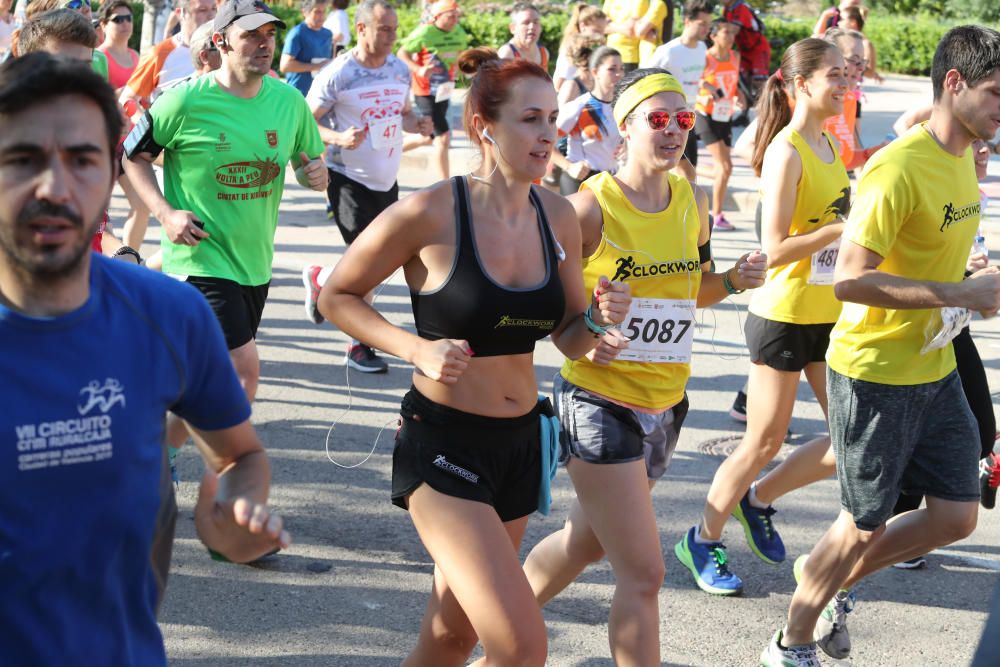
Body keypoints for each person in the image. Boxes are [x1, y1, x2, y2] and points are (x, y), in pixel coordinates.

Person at [321, 47, 631, 667]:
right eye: (531, 120)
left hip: (521, 445)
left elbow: (569, 332)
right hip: (444, 448)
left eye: (552, 119)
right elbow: (337, 294)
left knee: (450, 638)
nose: (549, 134)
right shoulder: (430, 212)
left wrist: (600, 322)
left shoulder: (560, 215)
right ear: (485, 127)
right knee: (520, 647)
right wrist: (416, 349)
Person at [0, 51, 290, 667]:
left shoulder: (169, 314)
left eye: (81, 160)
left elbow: (239, 455)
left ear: (111, 173)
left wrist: (230, 522)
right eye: (22, 159)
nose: (54, 186)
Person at [760, 25, 1000, 666]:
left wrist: (971, 283)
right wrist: (959, 292)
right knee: (861, 524)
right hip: (873, 374)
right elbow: (849, 280)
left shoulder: (963, 159)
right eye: (996, 93)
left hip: (936, 364)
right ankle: (791, 639)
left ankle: (829, 575)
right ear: (954, 84)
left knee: (955, 516)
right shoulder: (898, 167)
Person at [524, 67, 766, 664]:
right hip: (599, 402)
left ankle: (497, 629)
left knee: (585, 543)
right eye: (657, 120)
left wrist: (733, 280)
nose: (674, 132)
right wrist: (592, 332)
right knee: (644, 572)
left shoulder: (690, 197)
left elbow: (689, 290)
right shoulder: (589, 209)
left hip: (665, 403)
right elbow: (556, 325)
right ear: (623, 129)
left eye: (682, 120)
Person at [677, 37, 850, 598]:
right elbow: (771, 247)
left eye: (849, 76)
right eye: (835, 76)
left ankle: (761, 498)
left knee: (848, 438)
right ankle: (702, 539)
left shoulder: (829, 143)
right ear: (801, 84)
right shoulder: (787, 148)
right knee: (761, 441)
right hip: (783, 316)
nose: (846, 85)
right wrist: (840, 230)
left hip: (830, 315)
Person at [123, 0, 327, 456]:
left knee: (201, 375)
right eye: (251, 35)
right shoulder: (183, 99)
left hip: (254, 261)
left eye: (270, 35)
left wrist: (316, 175)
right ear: (220, 42)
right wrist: (164, 213)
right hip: (199, 256)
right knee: (242, 371)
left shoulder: (288, 101)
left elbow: (309, 163)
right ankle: (233, 471)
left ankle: (153, 451)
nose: (264, 44)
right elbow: (131, 155)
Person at [301, 0, 431, 373]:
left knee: (376, 262)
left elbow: (403, 114)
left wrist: (418, 123)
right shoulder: (339, 73)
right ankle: (359, 345)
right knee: (369, 264)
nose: (392, 36)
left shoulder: (397, 69)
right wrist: (338, 139)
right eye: (384, 29)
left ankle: (321, 279)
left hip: (385, 178)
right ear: (361, 29)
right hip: (347, 179)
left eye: (393, 29)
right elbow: (306, 122)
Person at [397, 0, 469, 181]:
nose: (455, 19)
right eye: (450, 15)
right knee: (443, 137)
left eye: (456, 15)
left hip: (445, 90)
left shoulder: (458, 32)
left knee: (429, 136)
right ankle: (446, 185)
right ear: (438, 16)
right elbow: (401, 53)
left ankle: (389, 151)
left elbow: (460, 54)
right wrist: (419, 68)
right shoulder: (424, 32)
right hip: (425, 91)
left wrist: (464, 69)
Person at [644, 0, 713, 183]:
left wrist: (706, 90)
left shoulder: (702, 48)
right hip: (669, 122)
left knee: (689, 173)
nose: (707, 29)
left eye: (709, 24)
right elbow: (643, 80)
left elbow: (692, 80)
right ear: (687, 21)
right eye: (702, 24)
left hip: (688, 119)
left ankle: (680, 209)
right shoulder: (668, 51)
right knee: (685, 172)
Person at [552, 46, 624, 195]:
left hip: (611, 181)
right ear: (595, 72)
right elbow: (545, 141)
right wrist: (569, 166)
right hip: (581, 182)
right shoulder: (579, 106)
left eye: (621, 69)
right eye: (612, 69)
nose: (619, 74)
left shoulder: (622, 106)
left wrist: (627, 147)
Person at [119, 0, 216, 109]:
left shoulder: (225, 48)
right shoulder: (160, 54)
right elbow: (127, 99)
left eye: (214, 9)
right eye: (202, 10)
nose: (211, 16)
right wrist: (148, 125)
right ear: (180, 13)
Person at [694, 18, 743, 231]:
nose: (731, 37)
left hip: (725, 115)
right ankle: (717, 215)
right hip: (705, 114)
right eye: (726, 33)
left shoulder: (735, 56)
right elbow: (692, 81)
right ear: (713, 36)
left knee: (724, 168)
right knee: (725, 166)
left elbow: (733, 83)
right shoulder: (704, 58)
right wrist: (705, 91)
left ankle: (689, 169)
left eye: (733, 33)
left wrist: (740, 96)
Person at [279, 0, 333, 96]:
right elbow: (285, 66)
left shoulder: (328, 34)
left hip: (321, 93)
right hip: (298, 93)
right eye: (317, 12)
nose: (321, 16)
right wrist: (316, 66)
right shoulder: (297, 33)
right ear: (304, 12)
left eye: (324, 11)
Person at [553, 3, 606, 92]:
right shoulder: (572, 49)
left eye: (603, 32)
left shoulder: (592, 49)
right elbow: (559, 83)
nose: (601, 35)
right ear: (583, 26)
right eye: (596, 31)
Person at [722, 0, 771, 94]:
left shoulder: (741, 7)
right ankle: (748, 103)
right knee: (742, 77)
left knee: (759, 81)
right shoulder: (726, 10)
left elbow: (734, 30)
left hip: (758, 48)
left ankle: (767, 104)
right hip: (744, 50)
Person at [97, 0, 138, 92]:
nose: (125, 23)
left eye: (129, 18)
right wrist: (128, 93)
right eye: (118, 19)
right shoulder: (99, 57)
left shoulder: (135, 55)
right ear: (103, 25)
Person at [498, 2, 548, 69]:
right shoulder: (507, 54)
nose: (532, 27)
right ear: (513, 28)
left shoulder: (543, 53)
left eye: (536, 22)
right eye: (526, 23)